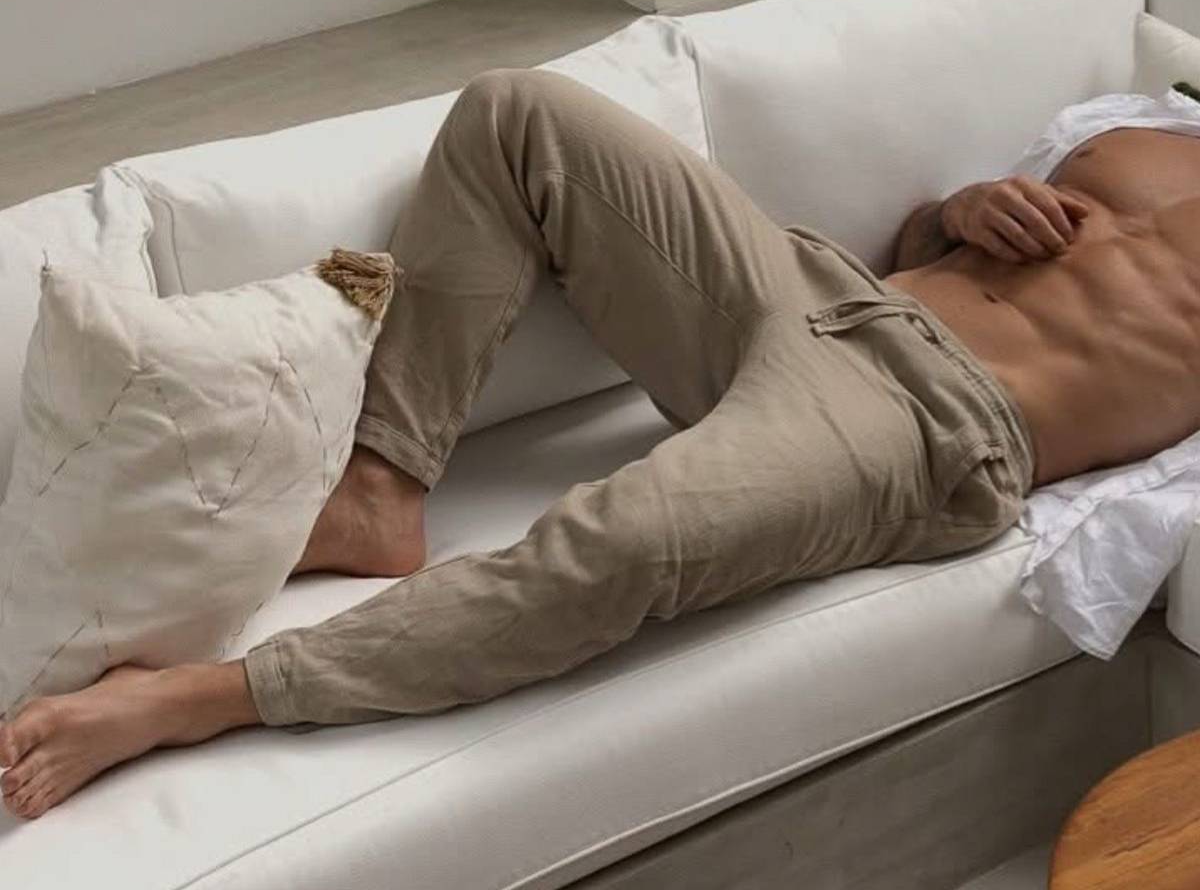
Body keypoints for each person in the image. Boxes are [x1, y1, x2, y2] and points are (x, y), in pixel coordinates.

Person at [3, 71, 1200, 820]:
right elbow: (926, 241)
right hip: (832, 291)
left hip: (931, 424)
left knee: (624, 542)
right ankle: (380, 482)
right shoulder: (1147, 129)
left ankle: (207, 698)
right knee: (518, 112)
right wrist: (960, 210)